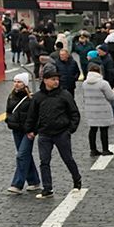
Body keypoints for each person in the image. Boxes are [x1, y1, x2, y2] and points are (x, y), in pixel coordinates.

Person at [26, 68, 83, 200]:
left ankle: (77, 180)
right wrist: (31, 130)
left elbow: (74, 113)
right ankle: (47, 188)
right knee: (44, 161)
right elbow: (32, 115)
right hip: (44, 134)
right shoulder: (38, 97)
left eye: (57, 79)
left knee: (67, 158)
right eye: (53, 79)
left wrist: (70, 129)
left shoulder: (65, 95)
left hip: (61, 133)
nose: (56, 82)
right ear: (45, 80)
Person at [79, 67, 114, 158]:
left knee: (93, 130)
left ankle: (93, 149)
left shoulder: (84, 83)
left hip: (90, 109)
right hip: (102, 110)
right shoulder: (103, 83)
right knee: (104, 130)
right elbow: (111, 97)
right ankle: (105, 149)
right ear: (99, 72)